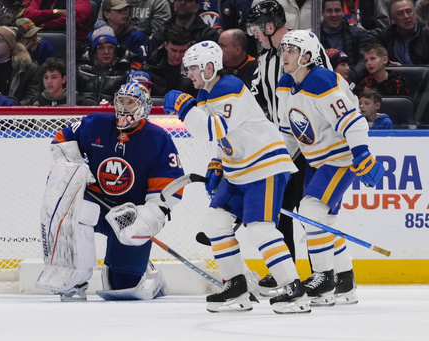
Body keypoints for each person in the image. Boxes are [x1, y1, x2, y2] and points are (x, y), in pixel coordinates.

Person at [163, 41, 310, 314]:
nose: (189, 73)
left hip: (264, 166)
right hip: (238, 169)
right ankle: (237, 287)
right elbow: (224, 136)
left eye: (193, 68)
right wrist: (218, 162)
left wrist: (185, 108)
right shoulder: (208, 94)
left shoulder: (229, 87)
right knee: (215, 222)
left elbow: (213, 128)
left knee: (260, 228)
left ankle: (293, 290)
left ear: (209, 68)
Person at [37, 80, 184, 301]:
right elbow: (61, 140)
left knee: (121, 288)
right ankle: (74, 280)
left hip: (130, 214)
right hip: (96, 202)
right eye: (120, 101)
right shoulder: (96, 123)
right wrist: (77, 170)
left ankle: (149, 275)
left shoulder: (158, 139)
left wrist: (144, 218)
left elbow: (167, 192)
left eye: (130, 103)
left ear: (143, 107)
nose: (123, 108)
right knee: (73, 204)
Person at [276, 30, 385, 306]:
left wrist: (361, 153)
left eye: (291, 50)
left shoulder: (322, 81)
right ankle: (344, 281)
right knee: (324, 220)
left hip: (340, 158)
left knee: (311, 210)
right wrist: (278, 168)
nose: (284, 54)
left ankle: (324, 277)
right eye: (284, 49)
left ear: (308, 56)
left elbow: (354, 122)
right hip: (316, 160)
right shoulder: (285, 85)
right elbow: (288, 134)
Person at [246, 0, 333, 296]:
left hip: (310, 146)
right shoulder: (266, 58)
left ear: (270, 26)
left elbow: (327, 86)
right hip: (281, 145)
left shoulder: (305, 46)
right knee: (280, 209)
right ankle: (287, 271)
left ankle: (323, 274)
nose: (254, 34)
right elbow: (256, 95)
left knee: (309, 211)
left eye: (258, 29)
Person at [0, 25, 41, 105]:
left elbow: (32, 96)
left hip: (17, 113)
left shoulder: (29, 68)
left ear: (10, 45)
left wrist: (13, 107)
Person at [319, 0, 374, 83]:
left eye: (337, 10)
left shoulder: (359, 34)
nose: (334, 14)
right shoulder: (314, 37)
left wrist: (351, 74)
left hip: (354, 86)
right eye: (329, 11)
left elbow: (365, 59)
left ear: (343, 12)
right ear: (322, 13)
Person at [77, 25, 132, 105]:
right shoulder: (79, 70)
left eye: (110, 47)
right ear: (94, 51)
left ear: (115, 50)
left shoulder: (125, 72)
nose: (106, 52)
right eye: (101, 48)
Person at [142, 24, 196, 97]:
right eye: (173, 50)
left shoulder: (197, 68)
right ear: (166, 45)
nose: (177, 56)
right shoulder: (152, 67)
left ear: (188, 47)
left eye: (182, 51)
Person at [94, 1, 149, 70]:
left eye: (126, 9)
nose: (125, 13)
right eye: (119, 10)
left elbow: (140, 65)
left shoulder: (137, 37)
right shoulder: (96, 36)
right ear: (107, 14)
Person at [149, 0, 219, 53]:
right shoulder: (161, 33)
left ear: (197, 7)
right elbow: (151, 62)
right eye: (179, 0)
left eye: (188, 0)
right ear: (174, 5)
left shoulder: (208, 35)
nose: (183, 3)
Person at [379, 0, 429, 65]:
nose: (406, 16)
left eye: (409, 11)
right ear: (392, 19)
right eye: (400, 13)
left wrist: (404, 70)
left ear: (415, 14)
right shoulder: (386, 36)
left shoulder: (426, 34)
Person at [99, 0, 172, 40]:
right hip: (111, 45)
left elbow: (157, 38)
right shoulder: (110, 2)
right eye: (120, 10)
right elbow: (100, 29)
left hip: (144, 47)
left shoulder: (159, 2)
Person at [23, 0, 92, 42]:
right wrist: (55, 12)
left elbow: (77, 17)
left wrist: (44, 24)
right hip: (39, 37)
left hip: (71, 41)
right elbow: (28, 15)